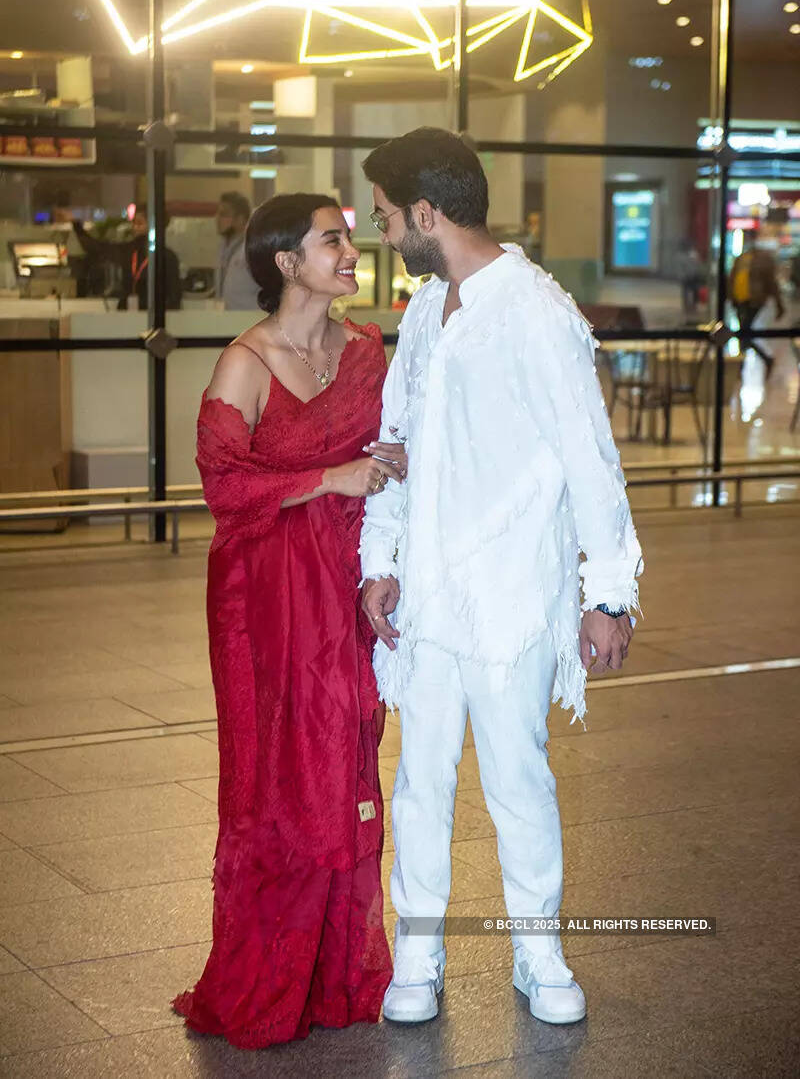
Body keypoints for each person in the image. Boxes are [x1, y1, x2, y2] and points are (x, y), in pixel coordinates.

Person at [358, 128, 644, 1027]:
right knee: (420, 784)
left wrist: (608, 594)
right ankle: (419, 954)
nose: (378, 229)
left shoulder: (534, 310)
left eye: (385, 214)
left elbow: (592, 461)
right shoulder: (423, 313)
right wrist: (381, 560)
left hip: (515, 593)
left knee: (518, 779)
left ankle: (538, 951)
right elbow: (393, 447)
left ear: (427, 214)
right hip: (430, 599)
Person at [172, 193, 404, 1048]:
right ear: (285, 263)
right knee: (281, 775)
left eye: (349, 237)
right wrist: (327, 479)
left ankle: (339, 975)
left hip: (347, 583)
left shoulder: (368, 351)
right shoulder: (246, 363)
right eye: (332, 241)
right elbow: (224, 491)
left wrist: (388, 469)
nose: (351, 252)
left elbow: (399, 443)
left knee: (348, 754)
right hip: (265, 599)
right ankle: (268, 978)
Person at [72, 204, 182, 310]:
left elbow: (173, 297)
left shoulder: (167, 258)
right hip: (128, 315)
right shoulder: (131, 251)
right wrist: (77, 226)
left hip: (152, 316)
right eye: (133, 223)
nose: (135, 228)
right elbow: (98, 249)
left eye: (139, 224)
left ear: (155, 226)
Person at [728, 230, 786, 378]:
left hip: (754, 300)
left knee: (744, 333)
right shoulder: (741, 258)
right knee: (743, 333)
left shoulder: (763, 259)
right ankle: (742, 365)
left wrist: (779, 304)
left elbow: (771, 283)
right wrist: (731, 296)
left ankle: (760, 360)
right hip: (739, 299)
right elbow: (733, 278)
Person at [215, 190, 261, 310]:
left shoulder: (253, 248)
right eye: (217, 213)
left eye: (223, 214)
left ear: (240, 219)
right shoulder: (223, 247)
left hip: (248, 319)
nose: (217, 218)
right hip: (227, 318)